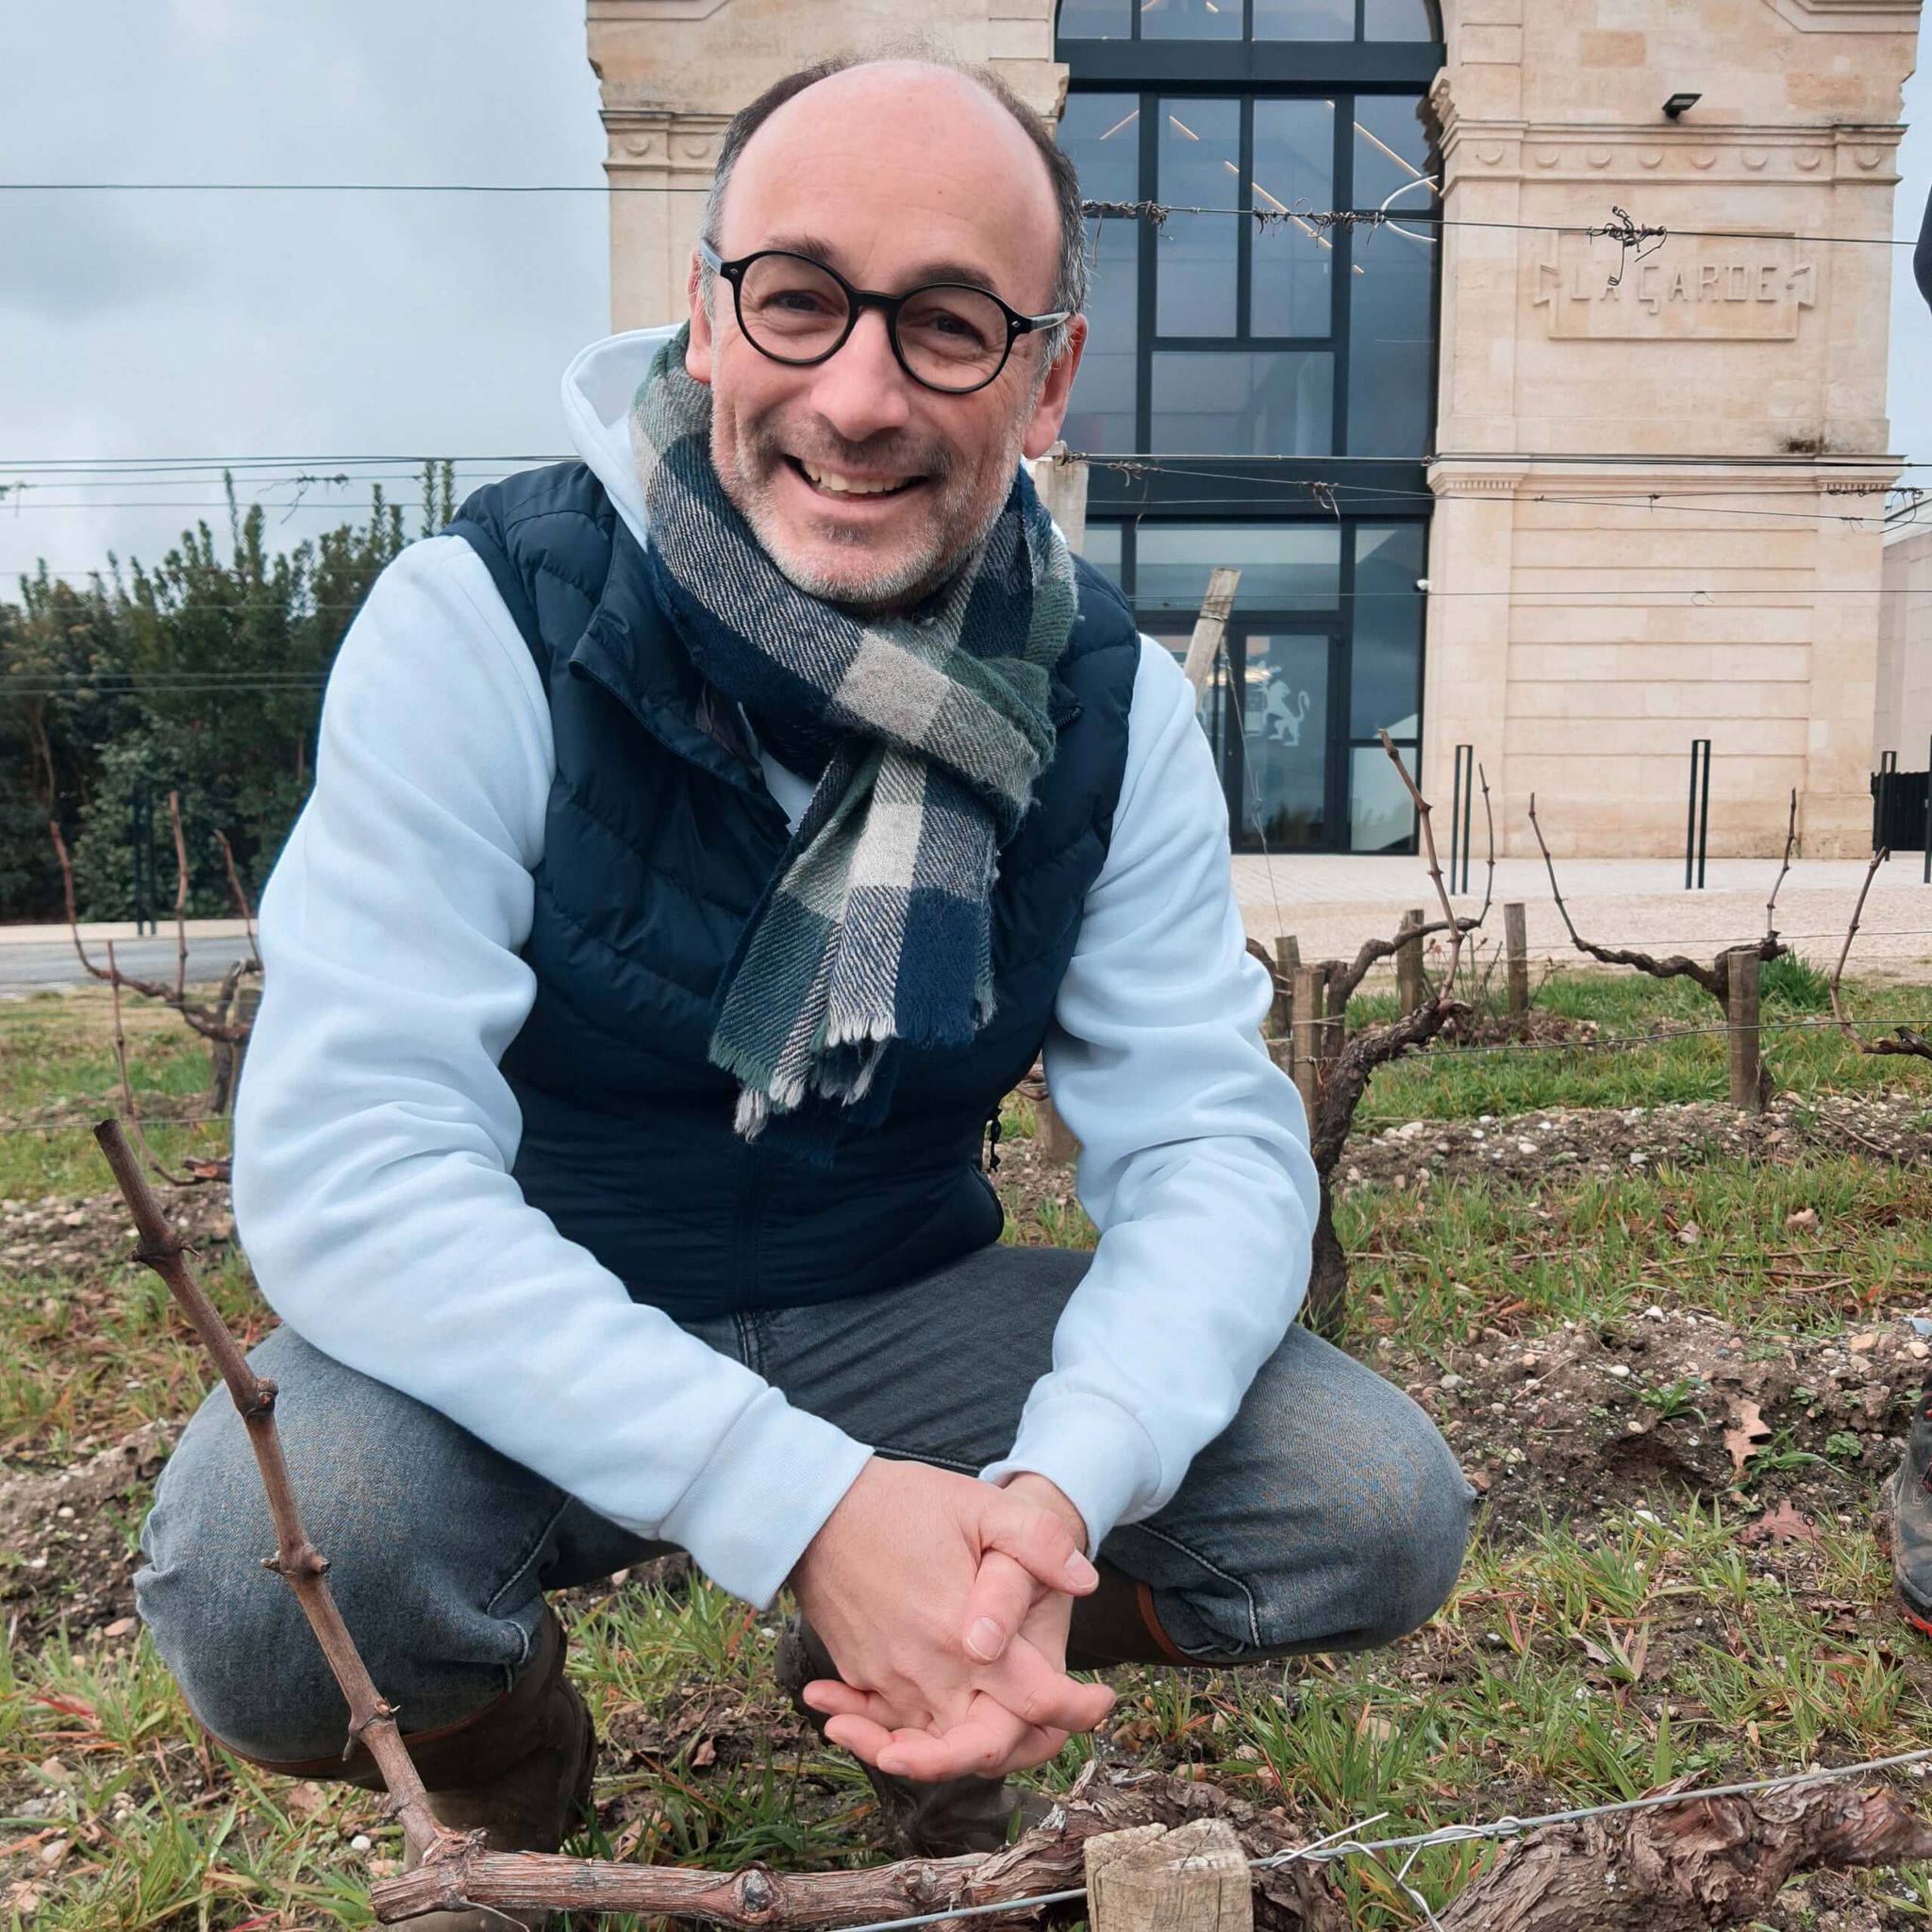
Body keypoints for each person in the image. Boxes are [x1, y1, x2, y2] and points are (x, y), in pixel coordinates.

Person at [134, 49, 1475, 1932]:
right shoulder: (484, 621)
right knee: (263, 1573)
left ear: (1045, 373)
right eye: (800, 300)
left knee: (1363, 1498)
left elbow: (1204, 1138)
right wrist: (805, 1507)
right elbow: (354, 1164)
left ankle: (921, 1664)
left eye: (946, 326)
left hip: (885, 1300)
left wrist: (1058, 1492)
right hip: (533, 1320)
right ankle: (517, 1764)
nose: (856, 395)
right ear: (704, 310)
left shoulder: (1107, 702)